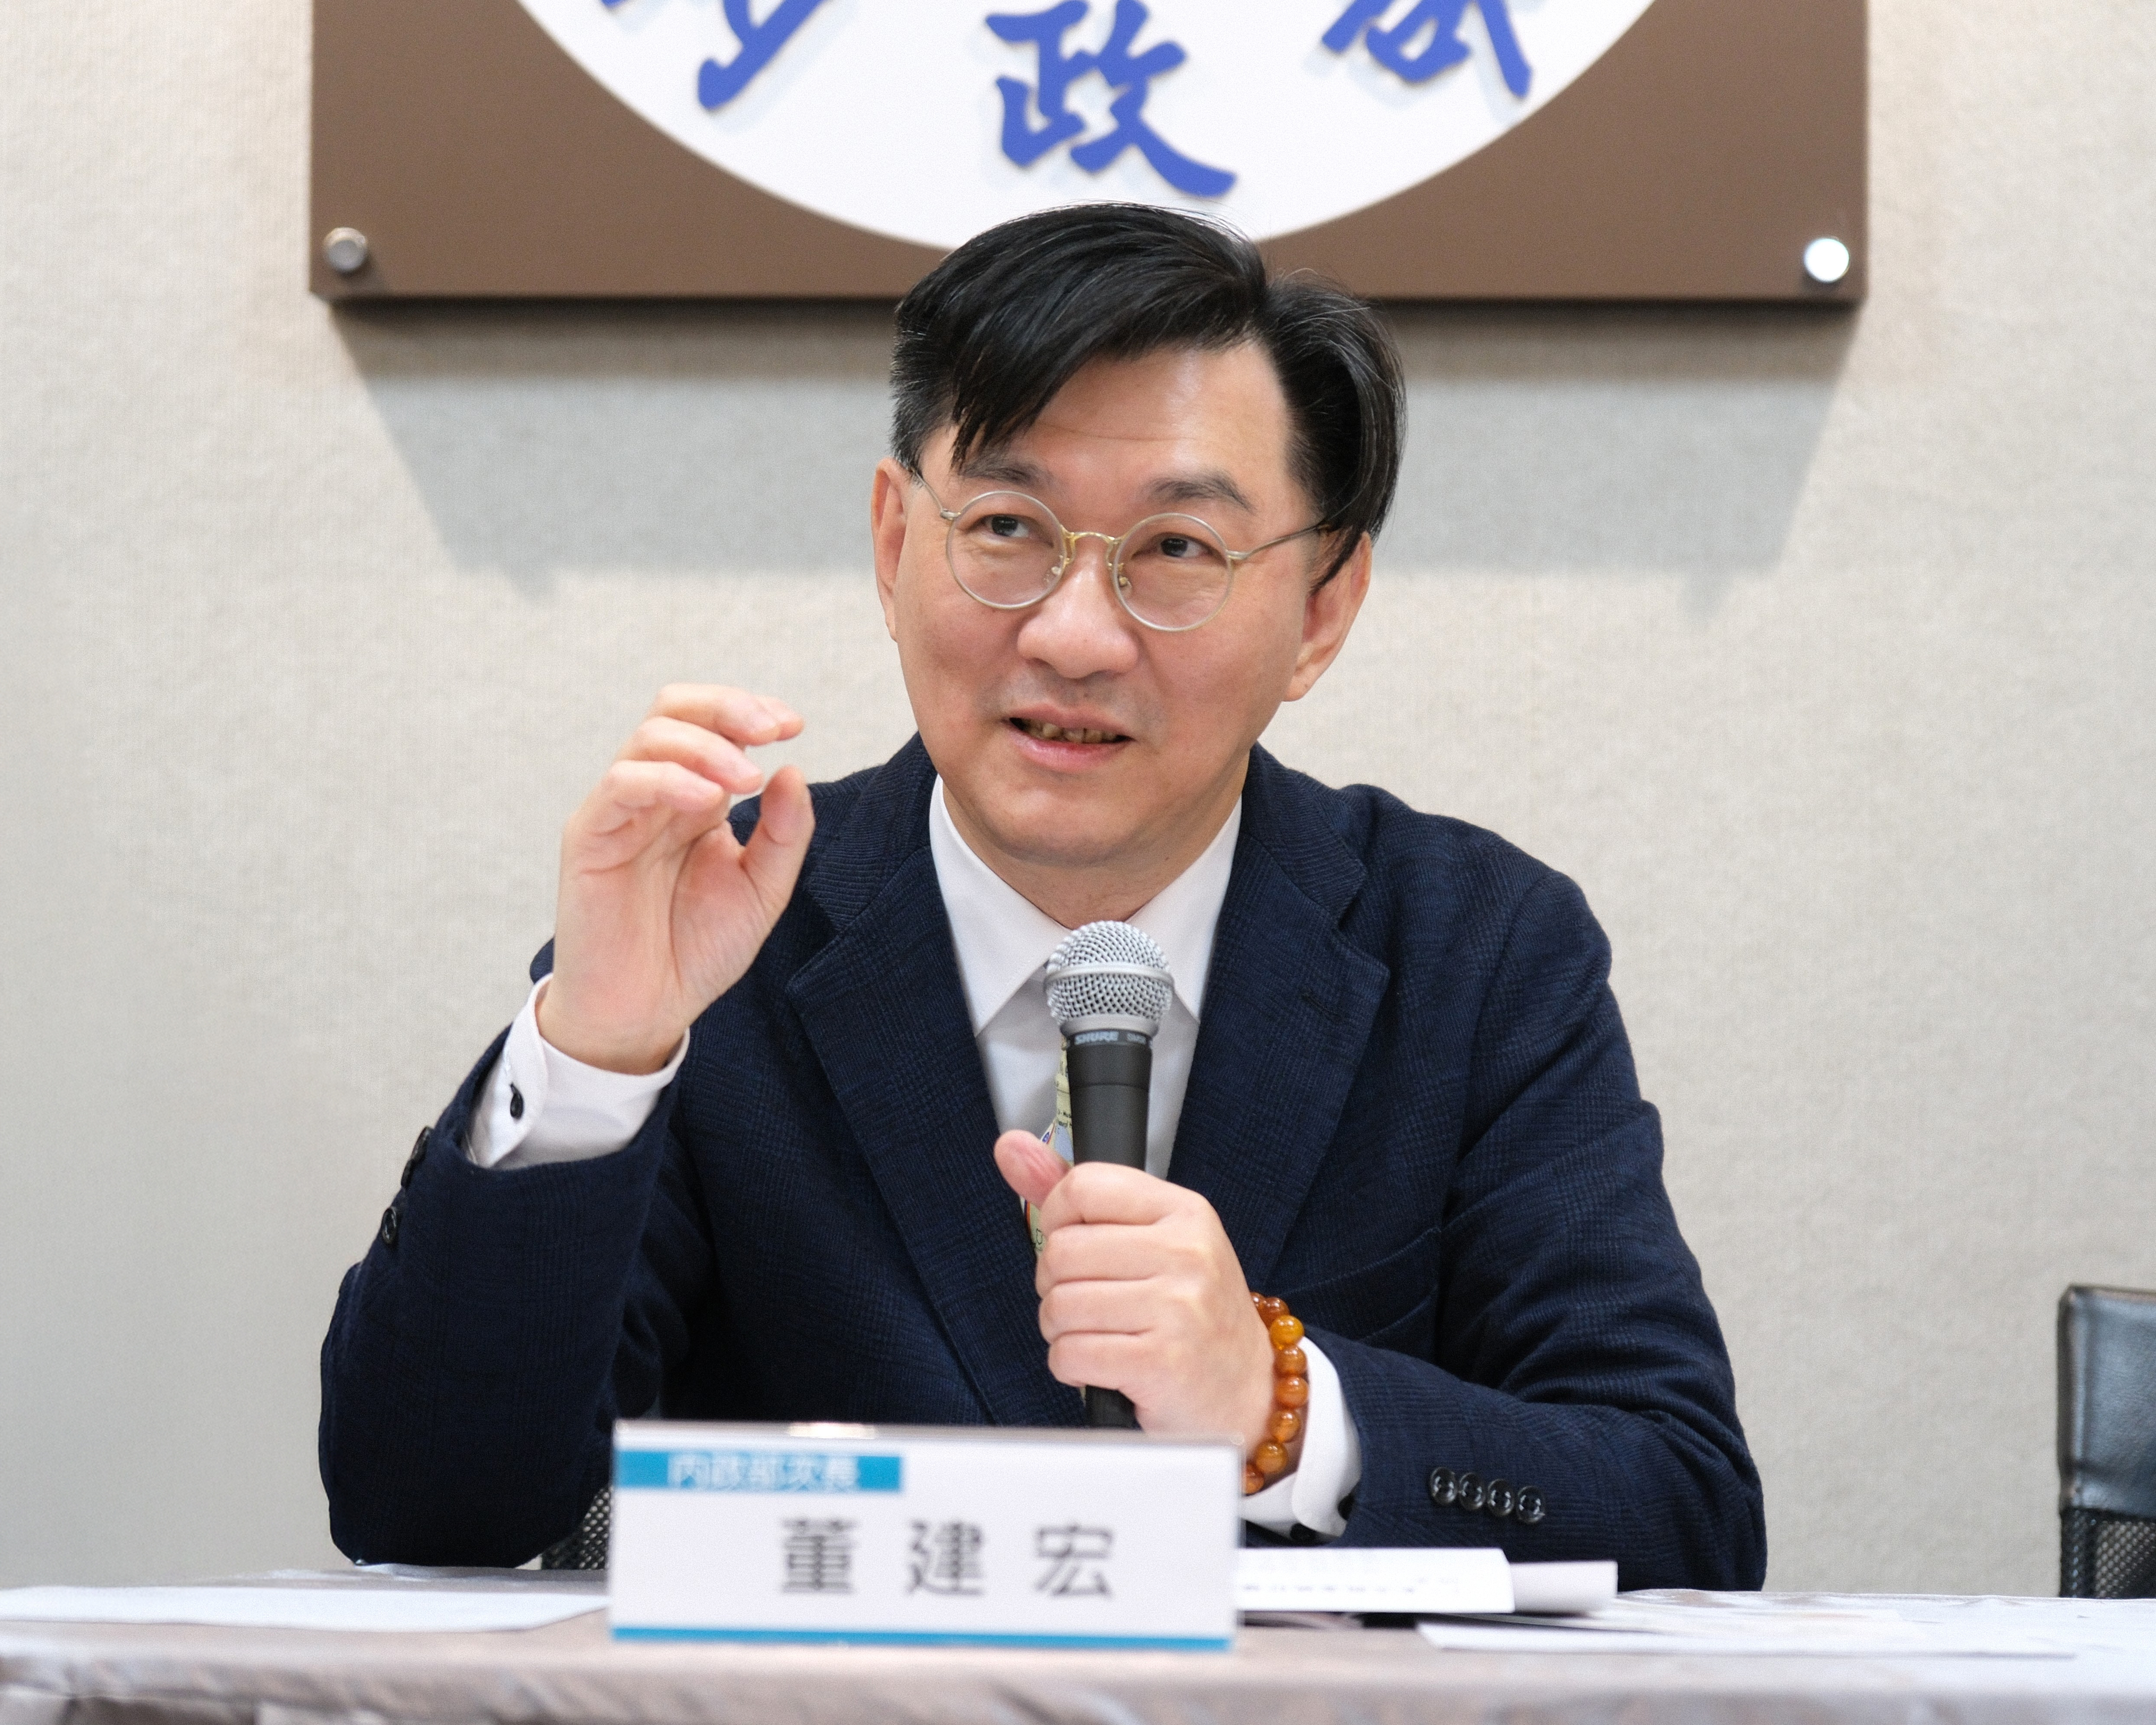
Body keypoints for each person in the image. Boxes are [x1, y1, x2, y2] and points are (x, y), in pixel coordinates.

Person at [320, 204, 1766, 1588]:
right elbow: (421, 1505)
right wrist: (594, 1057)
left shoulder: (1475, 949)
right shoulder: (722, 922)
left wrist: (1277, 1407)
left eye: (1177, 551)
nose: (1075, 636)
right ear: (897, 544)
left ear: (1321, 608)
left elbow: (1678, 1508)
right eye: (1008, 527)